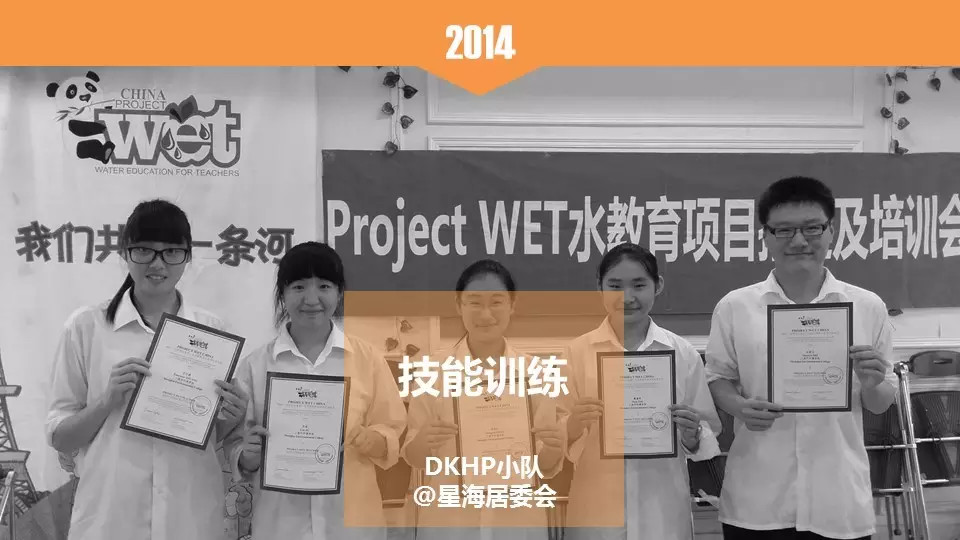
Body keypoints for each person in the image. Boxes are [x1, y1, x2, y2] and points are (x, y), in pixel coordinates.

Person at [705, 176, 898, 540]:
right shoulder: (735, 306)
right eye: (783, 230)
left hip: (837, 497)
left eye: (812, 228)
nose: (798, 241)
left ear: (831, 231)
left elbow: (879, 402)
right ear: (765, 236)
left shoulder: (867, 306)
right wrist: (739, 407)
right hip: (759, 497)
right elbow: (718, 376)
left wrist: (872, 383)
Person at [46, 199, 248, 540]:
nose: (157, 263)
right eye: (144, 250)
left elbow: (220, 434)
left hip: (190, 518)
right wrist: (107, 401)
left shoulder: (213, 332)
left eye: (171, 252)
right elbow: (60, 437)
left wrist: (234, 414)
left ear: (188, 256)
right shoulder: (86, 327)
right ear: (124, 252)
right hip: (109, 519)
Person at [224, 241, 407, 540]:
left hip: (352, 526)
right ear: (282, 294)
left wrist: (372, 440)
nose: (311, 299)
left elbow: (393, 429)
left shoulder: (367, 359)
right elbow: (236, 444)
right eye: (298, 287)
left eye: (324, 286)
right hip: (280, 527)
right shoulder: (255, 366)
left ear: (339, 292)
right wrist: (249, 456)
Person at [562, 242, 723, 540]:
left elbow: (707, 431)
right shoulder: (577, 353)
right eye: (615, 286)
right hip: (596, 509)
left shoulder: (682, 353)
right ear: (599, 287)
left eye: (639, 285)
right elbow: (552, 438)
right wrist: (571, 426)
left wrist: (692, 435)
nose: (627, 298)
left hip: (662, 508)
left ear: (657, 285)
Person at [401, 259, 566, 540]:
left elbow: (546, 467)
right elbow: (414, 457)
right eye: (474, 302)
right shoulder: (432, 372)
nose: (486, 314)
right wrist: (424, 440)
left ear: (512, 305)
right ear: (458, 305)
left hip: (516, 522)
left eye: (497, 302)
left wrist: (553, 447)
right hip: (450, 523)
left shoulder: (536, 373)